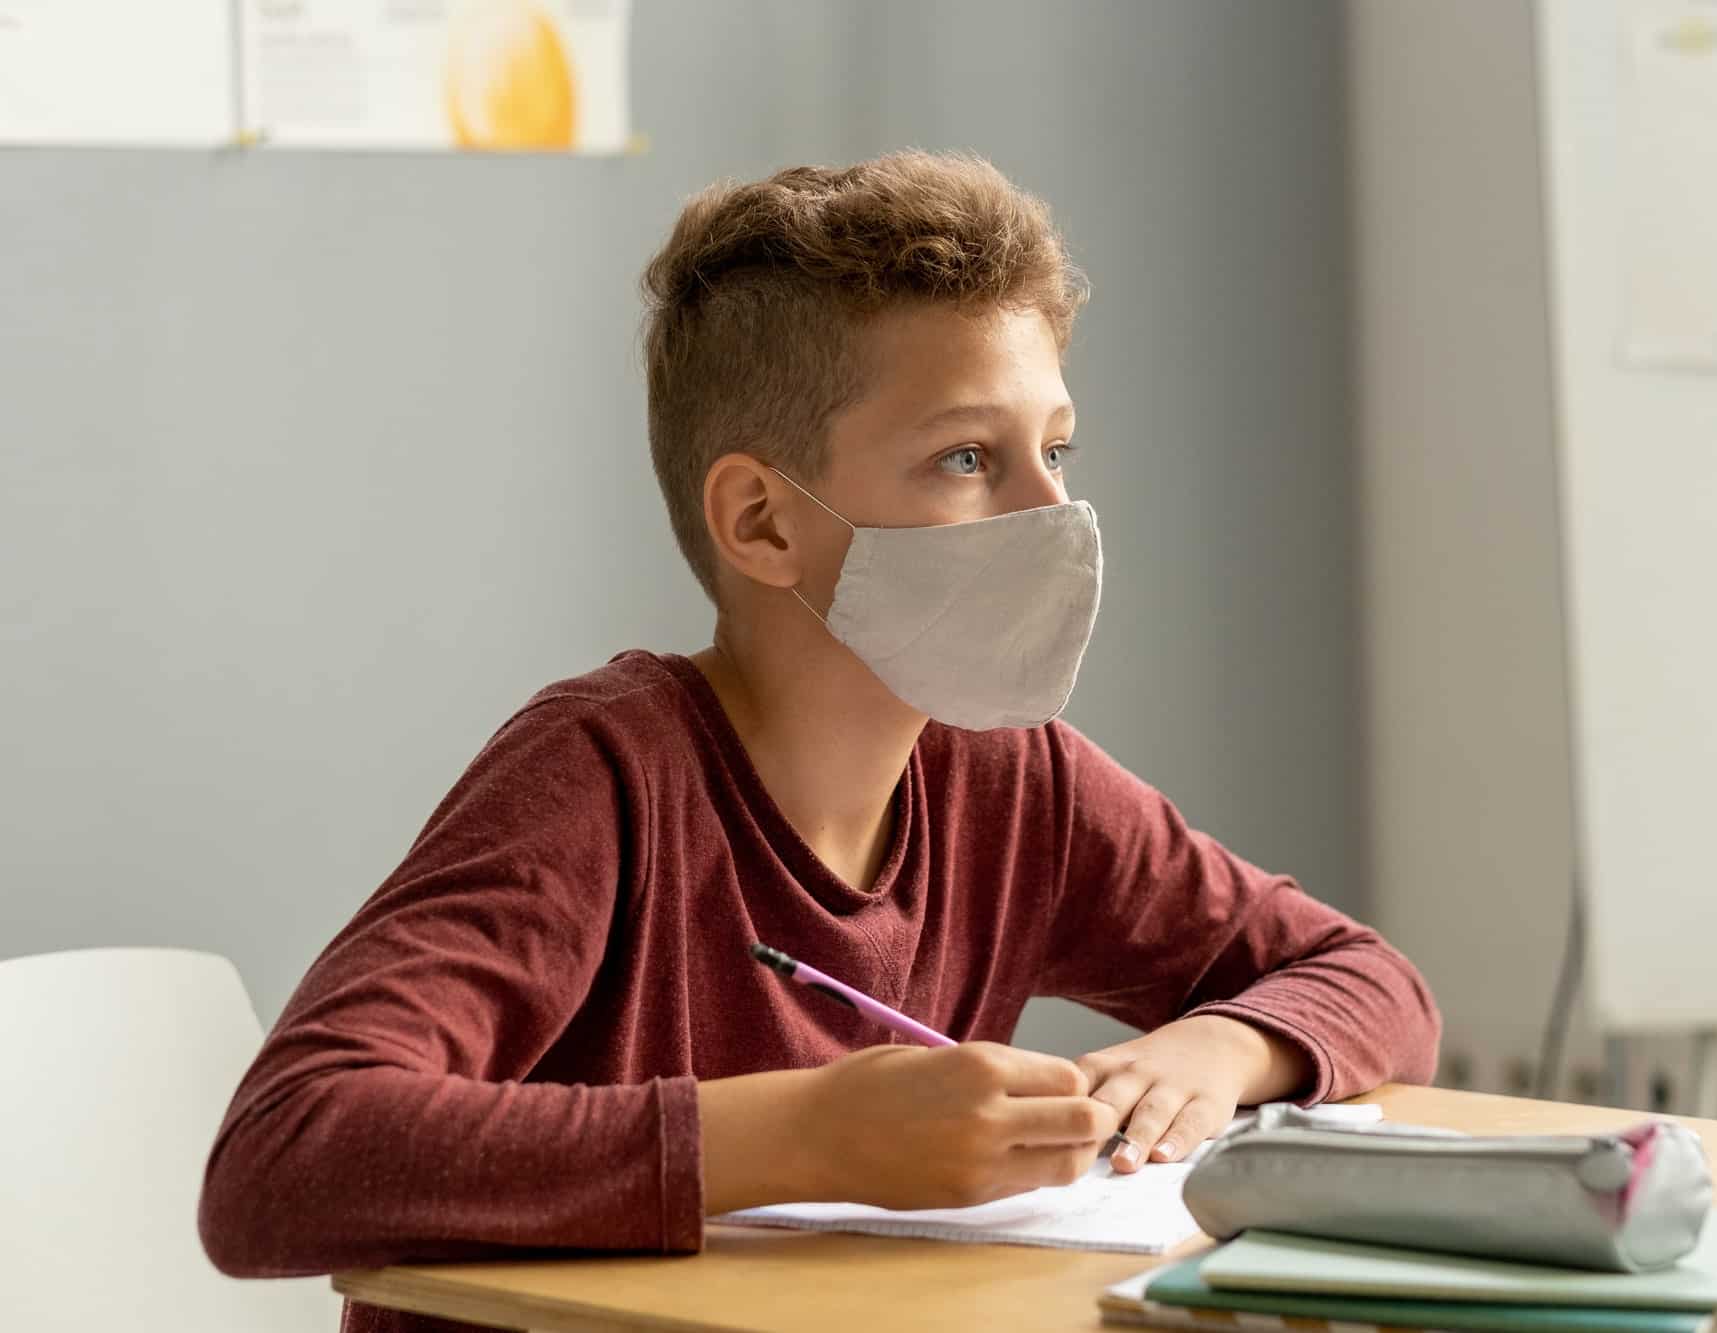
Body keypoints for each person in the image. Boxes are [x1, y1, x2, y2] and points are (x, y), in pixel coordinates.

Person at [198, 150, 1440, 1333]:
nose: (1053, 514)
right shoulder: (604, 778)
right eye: (966, 456)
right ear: (763, 522)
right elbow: (284, 1157)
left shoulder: (1015, 778)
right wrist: (808, 1136)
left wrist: (1221, 1045)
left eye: (1053, 449)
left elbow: (1371, 981)